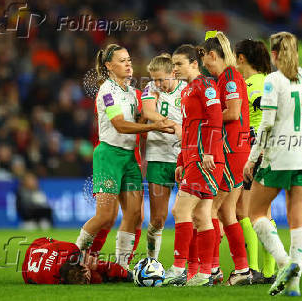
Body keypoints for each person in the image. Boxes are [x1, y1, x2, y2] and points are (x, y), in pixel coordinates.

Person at [75, 44, 174, 270]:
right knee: (105, 216)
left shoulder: (133, 93)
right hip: (109, 155)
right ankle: (74, 256)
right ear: (109, 66)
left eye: (129, 59)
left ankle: (121, 266)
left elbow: (140, 122)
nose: (128, 64)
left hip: (130, 158)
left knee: (135, 215)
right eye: (122, 60)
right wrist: (153, 127)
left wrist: (147, 143)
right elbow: (119, 125)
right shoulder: (107, 91)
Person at [243, 31, 302, 296]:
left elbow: (266, 122)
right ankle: (294, 283)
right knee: (298, 219)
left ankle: (285, 263)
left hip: (281, 155)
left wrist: (252, 159)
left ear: (274, 54)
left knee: (256, 212)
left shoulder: (274, 80)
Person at [163, 44, 224, 287]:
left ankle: (179, 268)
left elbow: (216, 118)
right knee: (201, 215)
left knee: (180, 211)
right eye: (173, 65)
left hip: (205, 159)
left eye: (179, 64)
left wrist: (208, 151)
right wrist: (181, 160)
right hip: (193, 159)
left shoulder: (206, 86)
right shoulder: (188, 90)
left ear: (194, 64)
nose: (175, 69)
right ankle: (204, 274)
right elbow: (189, 129)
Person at [199, 31, 252, 285]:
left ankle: (212, 268)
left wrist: (206, 114)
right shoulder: (224, 78)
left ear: (212, 55)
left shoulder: (229, 77)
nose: (204, 66)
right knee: (227, 213)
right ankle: (242, 269)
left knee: (209, 209)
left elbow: (231, 112)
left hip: (231, 152)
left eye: (205, 60)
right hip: (235, 151)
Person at [234, 38, 276, 284]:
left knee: (246, 211)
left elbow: (262, 103)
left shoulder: (252, 83)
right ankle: (268, 272)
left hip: (255, 150)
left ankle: (253, 269)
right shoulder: (266, 80)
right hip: (265, 151)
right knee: (262, 211)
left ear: (241, 58)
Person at [141, 53, 185, 259]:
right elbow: (148, 113)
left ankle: (194, 266)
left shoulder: (187, 90)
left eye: (161, 79)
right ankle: (152, 261)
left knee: (191, 216)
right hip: (158, 157)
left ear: (173, 73)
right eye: (154, 79)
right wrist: (174, 125)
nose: (157, 83)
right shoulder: (151, 88)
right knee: (158, 218)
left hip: (184, 158)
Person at [22, 237, 132, 284]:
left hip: (40, 244)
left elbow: (96, 263)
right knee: (97, 278)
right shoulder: (55, 281)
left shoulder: (70, 249)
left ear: (80, 264)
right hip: (27, 268)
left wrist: (124, 273)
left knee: (94, 264)